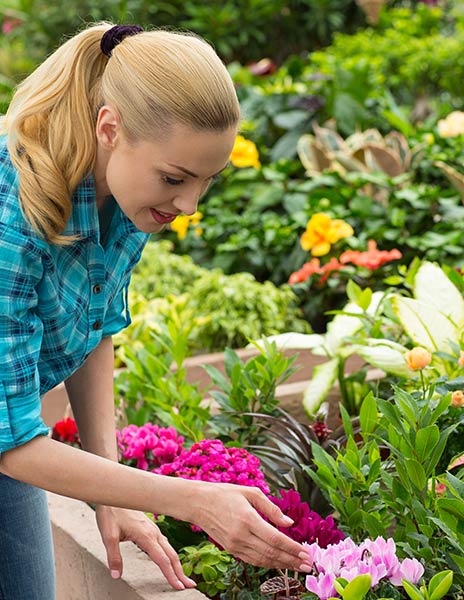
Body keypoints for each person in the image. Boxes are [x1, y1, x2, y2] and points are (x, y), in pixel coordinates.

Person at [0, 22, 312, 599]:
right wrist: (191, 498)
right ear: (110, 128)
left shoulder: (124, 196)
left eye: (205, 181)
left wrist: (112, 494)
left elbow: (92, 331)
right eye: (175, 178)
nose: (188, 204)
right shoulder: (12, 224)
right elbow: (14, 443)